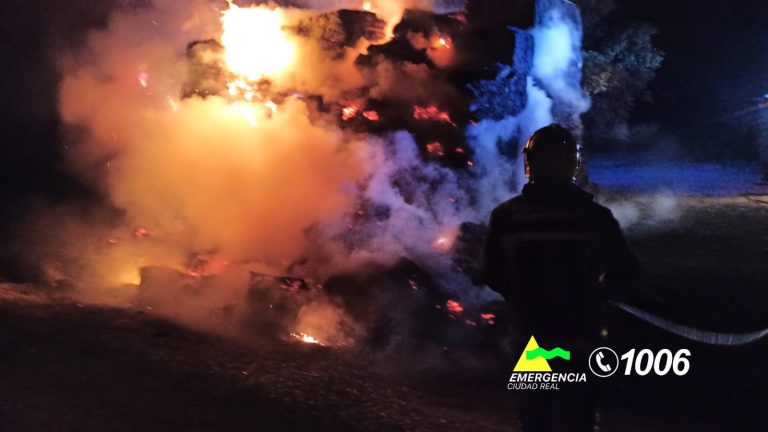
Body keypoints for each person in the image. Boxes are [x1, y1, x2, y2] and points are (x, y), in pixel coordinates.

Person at [483, 124, 638, 432]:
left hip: (531, 339)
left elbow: (492, 273)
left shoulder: (507, 216)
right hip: (582, 338)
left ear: (530, 162)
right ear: (572, 164)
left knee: (535, 418)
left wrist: (521, 298)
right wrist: (600, 294)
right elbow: (625, 271)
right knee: (579, 417)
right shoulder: (595, 217)